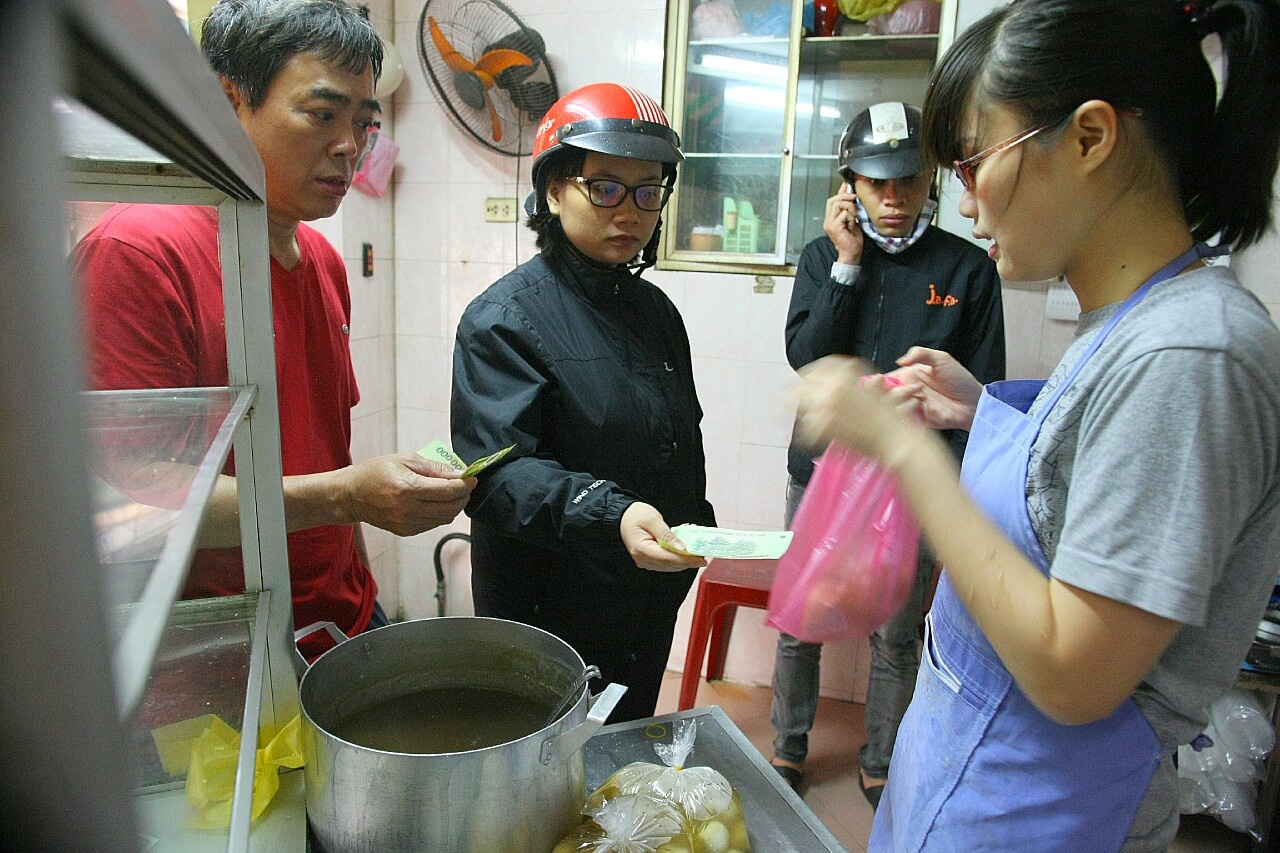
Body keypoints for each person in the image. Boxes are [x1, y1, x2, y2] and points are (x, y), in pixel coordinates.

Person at [790, 1, 1280, 849]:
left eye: (974, 160)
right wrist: (978, 409)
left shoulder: (1193, 353)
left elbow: (1072, 672)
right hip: (970, 783)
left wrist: (905, 450)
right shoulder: (1129, 323)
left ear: (1089, 138)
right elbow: (1078, 496)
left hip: (1042, 814)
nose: (966, 202)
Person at [76, 0, 475, 656]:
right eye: (322, 115)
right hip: (219, 647)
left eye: (364, 123)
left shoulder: (322, 260)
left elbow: (325, 451)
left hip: (341, 617)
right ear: (228, 101)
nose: (350, 148)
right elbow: (137, 500)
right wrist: (346, 496)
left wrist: (359, 546)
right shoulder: (139, 252)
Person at [450, 82, 715, 723]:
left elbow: (679, 436)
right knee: (548, 763)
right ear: (553, 191)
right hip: (548, 612)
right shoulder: (503, 320)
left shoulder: (657, 313)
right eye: (605, 188)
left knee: (621, 749)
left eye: (648, 191)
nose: (630, 212)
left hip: (644, 599)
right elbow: (498, 476)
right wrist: (612, 514)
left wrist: (696, 521)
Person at [769, 101, 1005, 806]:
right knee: (801, 621)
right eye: (877, 182)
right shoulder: (824, 256)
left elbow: (983, 390)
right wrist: (847, 264)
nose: (894, 198)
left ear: (930, 178)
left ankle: (881, 760)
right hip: (822, 474)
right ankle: (786, 746)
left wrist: (947, 487)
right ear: (850, 184)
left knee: (899, 635)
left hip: (912, 481)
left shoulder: (967, 268)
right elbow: (807, 356)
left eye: (908, 180)